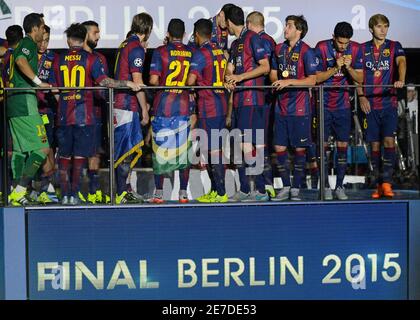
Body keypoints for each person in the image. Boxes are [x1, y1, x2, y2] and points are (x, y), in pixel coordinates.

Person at [49, 23, 142, 205]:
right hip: (84, 114)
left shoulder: (58, 59)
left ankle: (65, 195)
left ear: (68, 40)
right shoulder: (90, 59)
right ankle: (74, 195)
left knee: (64, 156)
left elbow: (54, 88)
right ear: (83, 39)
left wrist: (64, 102)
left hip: (64, 115)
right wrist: (127, 83)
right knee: (80, 156)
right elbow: (104, 82)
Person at [224, 5, 271, 202]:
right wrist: (228, 77)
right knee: (241, 145)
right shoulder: (236, 44)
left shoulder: (253, 38)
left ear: (227, 22)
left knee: (247, 145)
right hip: (240, 100)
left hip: (252, 99)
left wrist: (240, 77)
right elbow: (231, 69)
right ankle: (245, 189)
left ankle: (260, 189)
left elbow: (266, 67)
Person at [269, 15, 318, 201]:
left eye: (289, 25)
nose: (285, 28)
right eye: (286, 25)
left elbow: (312, 80)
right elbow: (273, 75)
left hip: (300, 109)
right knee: (279, 147)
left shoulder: (307, 51)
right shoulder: (279, 49)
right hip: (280, 107)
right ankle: (285, 187)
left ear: (299, 30)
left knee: (299, 149)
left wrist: (288, 82)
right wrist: (278, 82)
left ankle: (296, 188)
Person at [358, 14, 406, 199]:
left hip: (389, 103)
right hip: (369, 104)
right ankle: (378, 184)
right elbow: (357, 76)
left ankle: (387, 182)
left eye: (385, 26)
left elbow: (401, 62)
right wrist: (361, 96)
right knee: (375, 145)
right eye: (379, 26)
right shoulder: (362, 49)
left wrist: (400, 80)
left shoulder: (395, 46)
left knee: (388, 141)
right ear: (371, 29)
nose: (383, 30)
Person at [315, 21, 363, 200]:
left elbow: (360, 78)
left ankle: (340, 186)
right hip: (323, 104)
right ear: (333, 37)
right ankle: (326, 186)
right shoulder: (321, 47)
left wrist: (348, 67)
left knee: (343, 146)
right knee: (323, 148)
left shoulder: (356, 49)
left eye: (346, 43)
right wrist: (336, 67)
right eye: (340, 42)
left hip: (343, 105)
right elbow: (316, 78)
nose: (343, 46)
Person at [7, 13, 51, 206]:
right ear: (34, 29)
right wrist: (38, 82)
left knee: (19, 150)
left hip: (14, 101)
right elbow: (20, 61)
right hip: (25, 100)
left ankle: (14, 190)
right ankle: (20, 189)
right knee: (43, 147)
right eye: (42, 28)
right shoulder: (29, 43)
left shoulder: (24, 44)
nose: (44, 31)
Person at [149, 18, 193, 204]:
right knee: (183, 152)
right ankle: (183, 193)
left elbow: (152, 80)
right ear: (184, 35)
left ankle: (159, 193)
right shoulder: (191, 52)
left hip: (163, 107)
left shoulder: (160, 52)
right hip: (183, 107)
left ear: (167, 34)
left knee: (160, 152)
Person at [187, 18, 229, 203]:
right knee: (212, 148)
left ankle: (221, 193)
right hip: (220, 103)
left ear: (196, 34)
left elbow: (190, 81)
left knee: (213, 151)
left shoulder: (200, 53)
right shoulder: (220, 50)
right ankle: (215, 190)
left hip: (208, 106)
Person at [113, 12, 153, 204]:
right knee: (126, 150)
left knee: (126, 149)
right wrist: (144, 108)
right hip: (126, 105)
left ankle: (125, 188)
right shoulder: (136, 47)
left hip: (119, 103)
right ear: (147, 30)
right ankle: (121, 191)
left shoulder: (124, 44)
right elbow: (137, 82)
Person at [246, 10, 277, 198]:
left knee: (257, 142)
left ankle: (264, 185)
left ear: (249, 24)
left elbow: (264, 68)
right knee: (260, 142)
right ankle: (265, 184)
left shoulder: (256, 40)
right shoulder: (271, 41)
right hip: (267, 98)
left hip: (259, 97)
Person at [81, 20, 110, 204]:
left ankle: (92, 191)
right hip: (76, 112)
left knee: (95, 153)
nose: (98, 36)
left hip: (97, 113)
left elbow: (104, 86)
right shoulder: (75, 57)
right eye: (95, 33)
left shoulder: (100, 58)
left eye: (98, 33)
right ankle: (70, 192)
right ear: (84, 35)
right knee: (74, 154)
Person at [34, 24, 59, 204]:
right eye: (41, 40)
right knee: (34, 150)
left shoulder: (53, 58)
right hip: (30, 111)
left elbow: (56, 86)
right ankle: (32, 187)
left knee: (49, 148)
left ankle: (44, 187)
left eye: (47, 40)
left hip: (47, 111)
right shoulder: (27, 56)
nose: (43, 44)